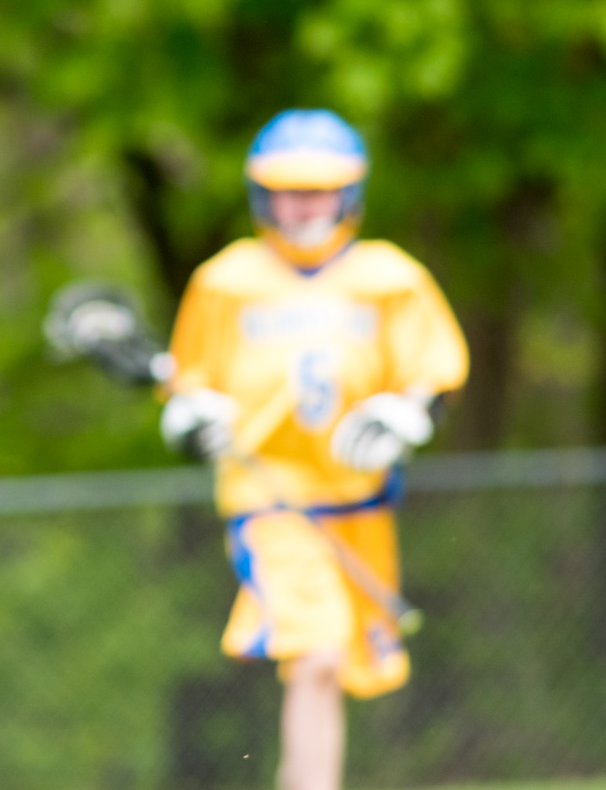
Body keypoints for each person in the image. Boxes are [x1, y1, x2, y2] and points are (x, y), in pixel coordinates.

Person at [158, 110, 467, 790]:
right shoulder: (225, 281)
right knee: (317, 653)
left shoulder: (390, 277)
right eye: (290, 189)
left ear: (349, 193)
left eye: (320, 189)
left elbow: (433, 372)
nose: (304, 204)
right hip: (270, 498)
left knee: (342, 667)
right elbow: (189, 387)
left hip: (359, 500)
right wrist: (194, 418)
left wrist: (404, 412)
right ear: (262, 194)